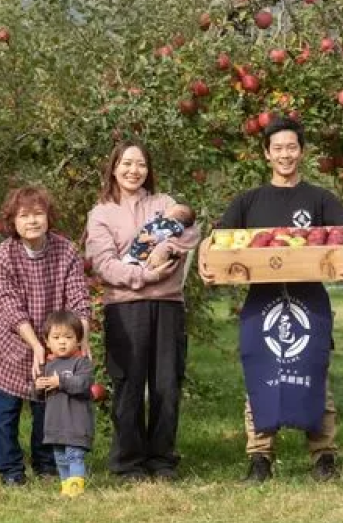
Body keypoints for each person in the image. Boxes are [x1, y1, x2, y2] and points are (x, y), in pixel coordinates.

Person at [198, 117, 343, 483]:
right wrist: (203, 259)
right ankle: (260, 457)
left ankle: (323, 456)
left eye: (292, 147)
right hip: (263, 304)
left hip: (308, 301)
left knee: (314, 373)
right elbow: (216, 239)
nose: (285, 154)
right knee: (261, 376)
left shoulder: (319, 198)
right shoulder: (249, 201)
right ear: (266, 154)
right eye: (278, 149)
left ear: (301, 152)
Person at [85, 140, 200, 482]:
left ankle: (162, 458)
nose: (134, 171)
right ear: (114, 167)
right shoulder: (101, 212)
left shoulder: (164, 204)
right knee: (129, 382)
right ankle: (128, 460)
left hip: (167, 304)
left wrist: (166, 246)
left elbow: (190, 233)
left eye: (141, 165)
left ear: (149, 170)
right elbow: (103, 264)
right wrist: (143, 275)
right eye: (127, 164)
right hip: (125, 306)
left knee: (166, 381)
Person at [0, 186, 92, 486]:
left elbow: (79, 297)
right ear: (12, 222)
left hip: (57, 342)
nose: (32, 221)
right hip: (11, 341)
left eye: (38, 214)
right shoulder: (2, 256)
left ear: (49, 217)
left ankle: (47, 464)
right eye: (24, 216)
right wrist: (35, 344)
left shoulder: (66, 251)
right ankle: (10, 469)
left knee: (47, 408)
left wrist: (82, 338)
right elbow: (9, 303)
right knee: (7, 411)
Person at [36, 310, 95, 497]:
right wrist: (38, 387)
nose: (62, 341)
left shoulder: (81, 363)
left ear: (78, 340)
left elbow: (82, 384)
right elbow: (39, 397)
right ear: (47, 342)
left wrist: (60, 381)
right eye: (56, 337)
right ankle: (66, 489)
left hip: (76, 424)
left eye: (68, 337)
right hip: (55, 424)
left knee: (73, 455)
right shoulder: (48, 366)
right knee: (60, 458)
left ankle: (76, 491)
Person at [122, 203, 196, 266]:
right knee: (127, 260)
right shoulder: (163, 220)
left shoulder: (173, 225)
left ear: (178, 215)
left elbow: (166, 234)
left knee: (142, 264)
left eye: (171, 209)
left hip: (147, 253)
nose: (167, 209)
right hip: (137, 248)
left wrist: (152, 238)